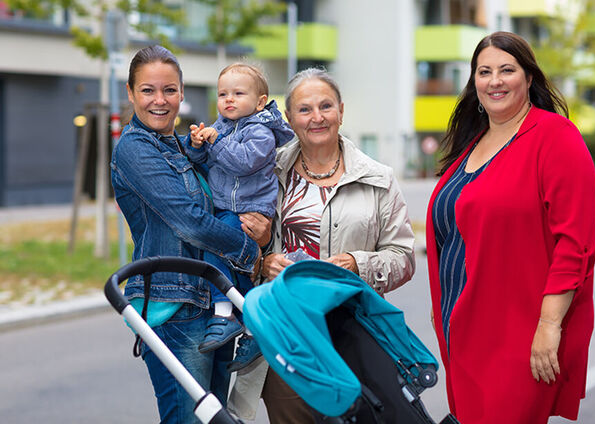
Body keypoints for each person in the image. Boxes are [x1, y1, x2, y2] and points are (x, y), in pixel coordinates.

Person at [425, 31, 595, 424]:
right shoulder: (471, 145)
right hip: (462, 330)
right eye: (484, 72)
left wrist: (549, 325)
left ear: (529, 78)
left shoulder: (555, 137)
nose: (495, 80)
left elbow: (575, 243)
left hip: (517, 333)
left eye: (507, 70)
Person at [228, 68, 417, 423]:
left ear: (341, 111)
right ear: (289, 118)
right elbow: (236, 243)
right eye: (304, 109)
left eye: (326, 106)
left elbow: (404, 258)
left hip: (355, 334)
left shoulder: (378, 178)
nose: (317, 117)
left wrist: (357, 264)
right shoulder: (265, 174)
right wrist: (263, 262)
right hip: (287, 338)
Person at [110, 45, 270, 424]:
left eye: (169, 90)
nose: (159, 100)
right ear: (131, 93)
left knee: (215, 418)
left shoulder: (184, 147)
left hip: (213, 305)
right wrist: (251, 252)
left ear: (182, 93)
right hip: (176, 309)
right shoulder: (135, 149)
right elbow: (191, 222)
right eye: (148, 90)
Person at [184, 63, 294, 370]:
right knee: (232, 265)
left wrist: (215, 141)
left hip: (250, 210)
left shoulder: (261, 132)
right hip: (226, 208)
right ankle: (253, 324)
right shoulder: (220, 126)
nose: (228, 99)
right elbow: (201, 161)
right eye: (222, 94)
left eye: (238, 93)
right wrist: (196, 145)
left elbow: (243, 162)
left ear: (260, 102)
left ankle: (223, 313)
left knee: (214, 248)